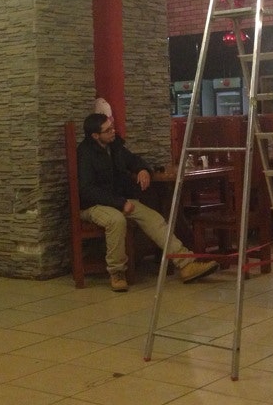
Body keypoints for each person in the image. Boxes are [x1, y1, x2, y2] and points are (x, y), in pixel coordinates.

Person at [76, 112, 219, 291]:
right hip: (94, 205)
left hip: (119, 199)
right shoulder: (85, 153)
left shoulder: (115, 146)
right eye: (108, 130)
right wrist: (120, 203)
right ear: (95, 136)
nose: (113, 131)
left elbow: (133, 160)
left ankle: (186, 263)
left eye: (112, 127)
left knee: (154, 218)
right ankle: (117, 272)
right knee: (116, 220)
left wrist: (143, 169)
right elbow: (87, 190)